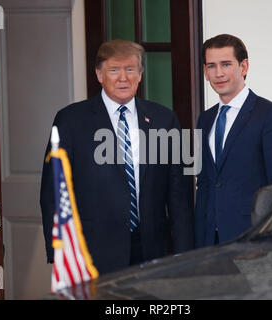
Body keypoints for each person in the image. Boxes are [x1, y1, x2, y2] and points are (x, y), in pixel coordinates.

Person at [40, 39, 194, 274]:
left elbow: (178, 195)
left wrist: (184, 252)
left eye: (130, 69)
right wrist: (59, 251)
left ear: (140, 74)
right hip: (91, 251)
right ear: (99, 74)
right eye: (114, 70)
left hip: (151, 251)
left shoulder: (165, 119)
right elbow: (54, 191)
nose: (123, 78)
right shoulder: (70, 120)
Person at [195, 34, 272, 248]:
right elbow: (204, 183)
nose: (218, 73)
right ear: (205, 72)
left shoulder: (271, 116)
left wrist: (271, 242)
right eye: (211, 66)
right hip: (209, 243)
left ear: (244, 66)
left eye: (226, 64)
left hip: (253, 241)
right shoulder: (204, 119)